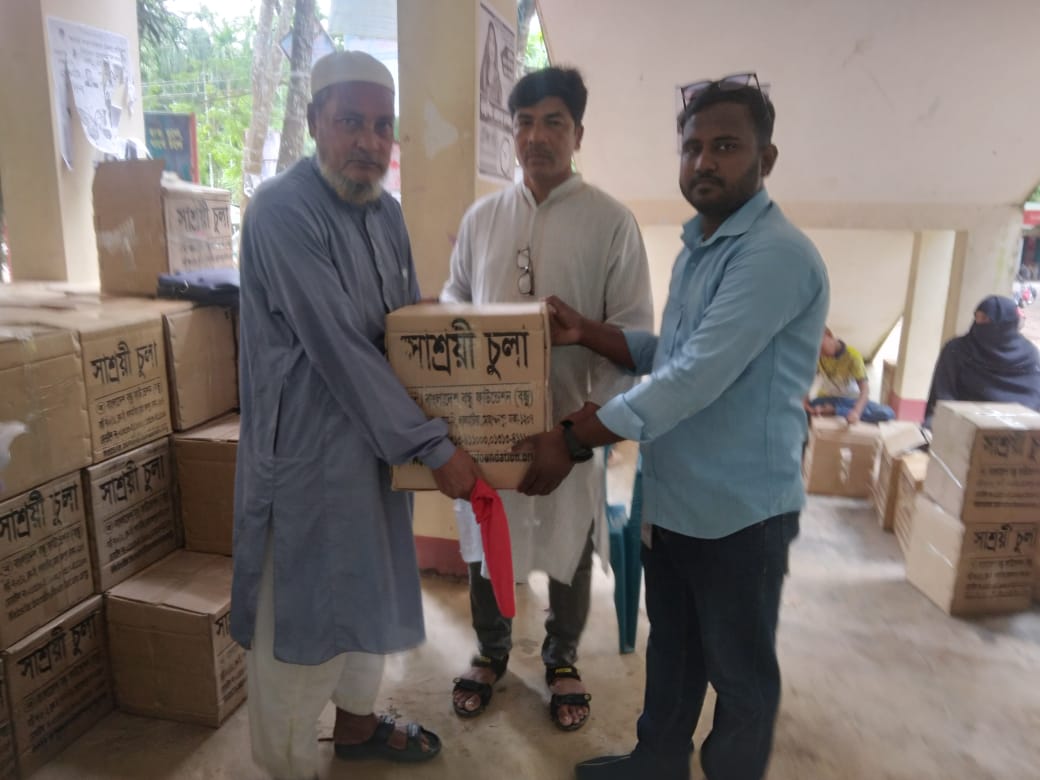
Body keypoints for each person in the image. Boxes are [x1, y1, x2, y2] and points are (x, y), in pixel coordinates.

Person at [514, 73, 828, 779]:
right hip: (677, 502)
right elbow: (673, 354)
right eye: (692, 147)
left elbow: (694, 378)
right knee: (674, 649)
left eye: (726, 146)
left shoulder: (773, 255)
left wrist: (573, 439)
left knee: (740, 676)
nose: (704, 161)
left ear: (766, 158)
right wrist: (588, 331)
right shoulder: (701, 246)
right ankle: (657, 762)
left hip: (742, 514)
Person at [230, 51, 481, 780]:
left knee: (366, 600)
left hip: (375, 453)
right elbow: (340, 347)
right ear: (315, 122)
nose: (369, 142)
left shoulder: (385, 212)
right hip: (308, 460)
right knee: (301, 621)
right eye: (350, 122)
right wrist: (434, 445)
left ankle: (358, 726)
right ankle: (287, 765)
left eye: (381, 125)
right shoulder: (282, 209)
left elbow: (395, 329)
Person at [441, 66, 653, 731]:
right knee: (488, 539)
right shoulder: (483, 219)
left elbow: (633, 334)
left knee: (569, 544)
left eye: (553, 122)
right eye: (524, 123)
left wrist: (583, 433)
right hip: (491, 430)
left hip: (571, 428)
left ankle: (562, 660)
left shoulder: (611, 223)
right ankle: (491, 651)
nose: (536, 137)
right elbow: (453, 301)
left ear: (578, 134)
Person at [924, 294, 1040, 427]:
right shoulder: (957, 349)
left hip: (1018, 425)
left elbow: (1034, 396)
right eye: (977, 317)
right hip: (963, 421)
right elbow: (943, 393)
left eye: (985, 319)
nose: (978, 323)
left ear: (1006, 324)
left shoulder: (1028, 355)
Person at [804, 327, 894, 424]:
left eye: (821, 347)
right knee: (800, 410)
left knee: (887, 413)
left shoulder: (853, 356)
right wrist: (806, 402)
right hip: (826, 400)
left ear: (829, 335)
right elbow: (805, 380)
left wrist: (856, 412)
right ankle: (833, 410)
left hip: (850, 401)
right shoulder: (818, 356)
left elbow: (865, 390)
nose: (820, 352)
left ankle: (836, 410)